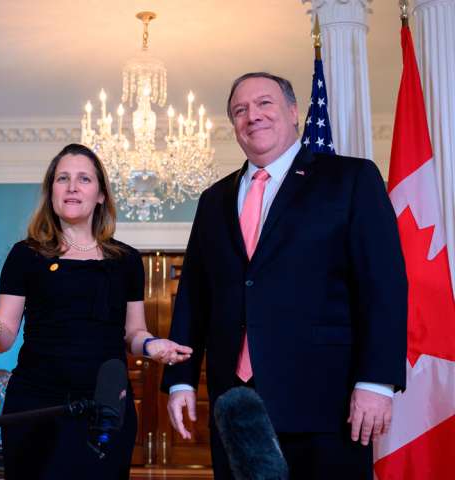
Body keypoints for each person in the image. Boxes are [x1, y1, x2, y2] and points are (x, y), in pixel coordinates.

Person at [161, 72, 408, 480]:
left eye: (264, 104)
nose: (251, 115)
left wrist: (377, 381)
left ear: (294, 112)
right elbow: (194, 297)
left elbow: (383, 286)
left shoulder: (351, 179)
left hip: (327, 401)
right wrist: (181, 380)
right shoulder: (213, 200)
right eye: (239, 110)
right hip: (236, 405)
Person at [0, 143, 192, 480]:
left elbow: (134, 333)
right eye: (62, 178)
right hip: (36, 405)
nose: (72, 186)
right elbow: (4, 335)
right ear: (51, 192)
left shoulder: (126, 261)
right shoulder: (26, 255)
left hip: (105, 405)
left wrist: (153, 345)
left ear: (100, 195)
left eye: (83, 179)